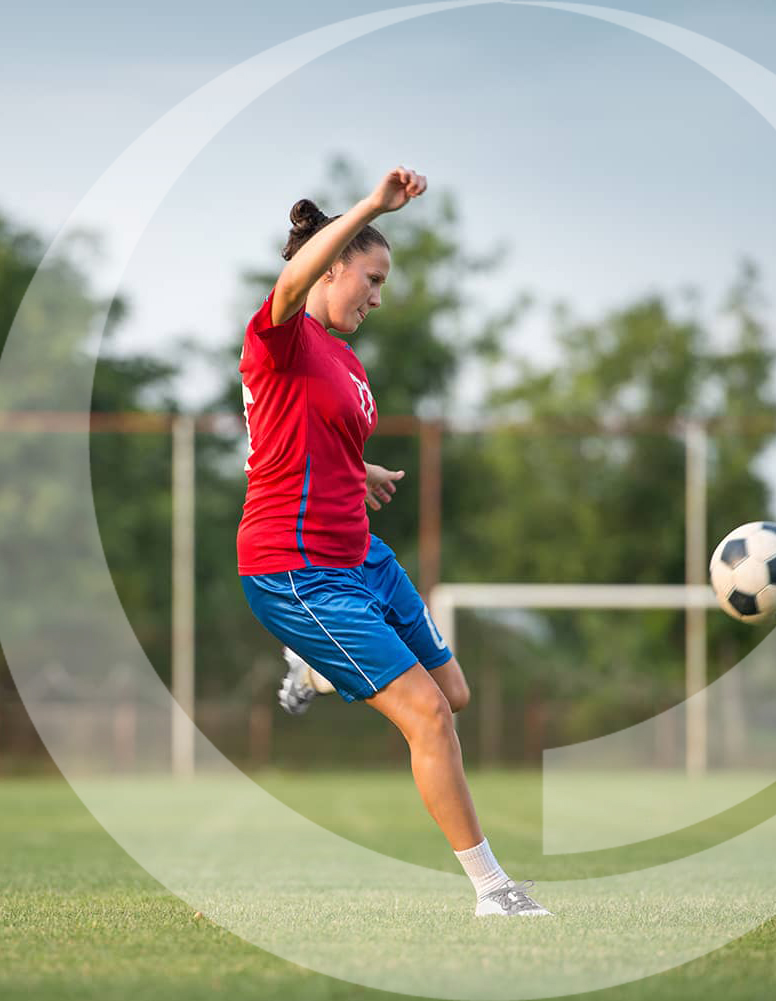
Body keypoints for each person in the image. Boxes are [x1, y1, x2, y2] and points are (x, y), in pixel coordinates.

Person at [236, 167, 548, 918]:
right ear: (330, 263)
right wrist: (373, 206)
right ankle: (492, 890)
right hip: (296, 570)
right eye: (370, 277)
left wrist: (356, 467)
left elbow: (301, 434)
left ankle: (314, 669)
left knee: (453, 695)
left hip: (361, 557)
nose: (376, 296)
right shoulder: (277, 336)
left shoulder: (343, 356)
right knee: (426, 716)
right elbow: (291, 287)